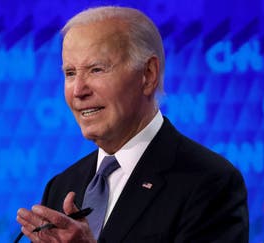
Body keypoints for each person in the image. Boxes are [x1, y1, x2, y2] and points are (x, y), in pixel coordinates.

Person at [16, 6, 249, 242]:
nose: (78, 90)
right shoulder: (62, 186)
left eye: (96, 69)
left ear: (148, 74)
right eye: (70, 73)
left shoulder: (210, 182)